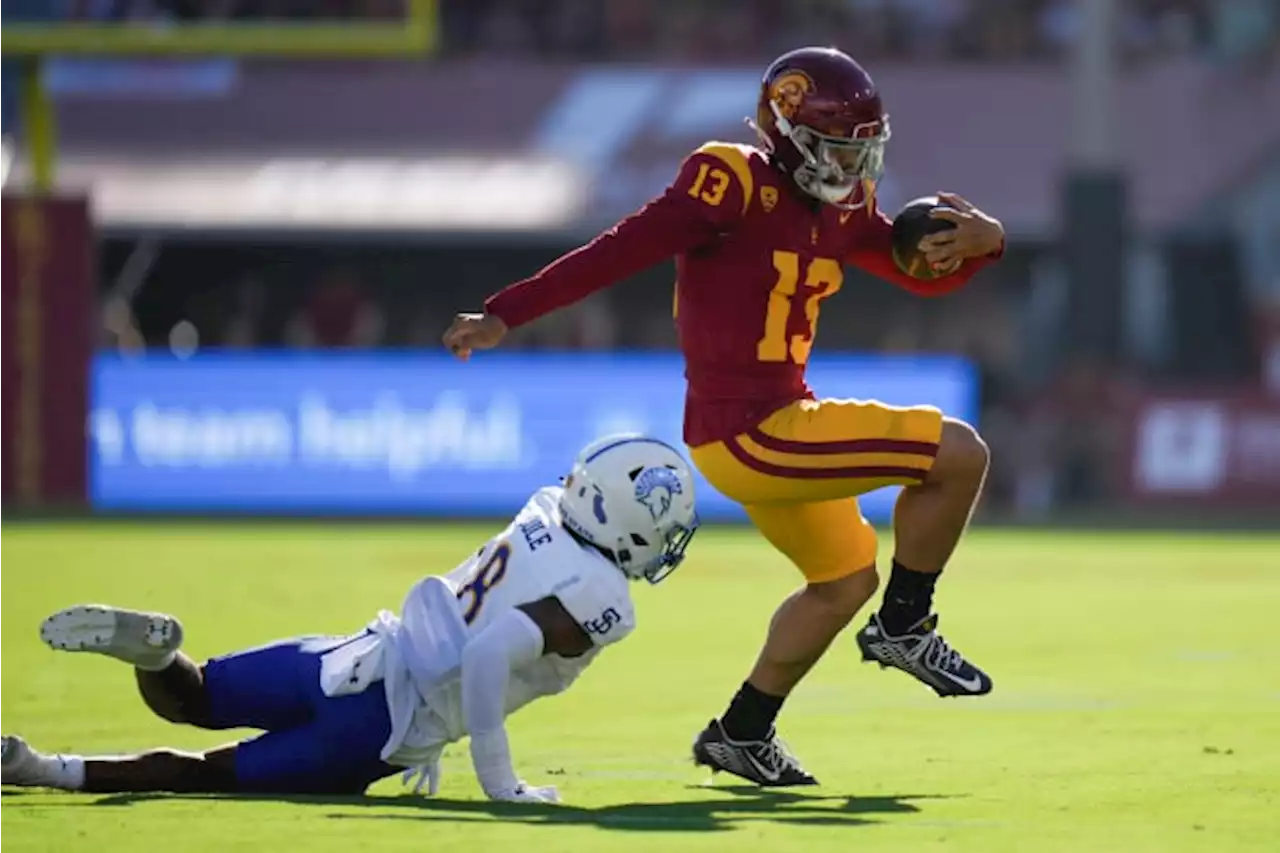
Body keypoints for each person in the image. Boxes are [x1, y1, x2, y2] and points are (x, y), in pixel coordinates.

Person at [442, 46, 1004, 787]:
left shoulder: (842, 211)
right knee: (958, 453)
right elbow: (618, 251)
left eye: (864, 146)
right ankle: (907, 624)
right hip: (754, 429)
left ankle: (742, 732)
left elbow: (919, 277)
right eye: (839, 146)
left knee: (842, 578)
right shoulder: (730, 181)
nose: (853, 164)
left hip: (772, 426)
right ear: (790, 132)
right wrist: (505, 314)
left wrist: (985, 239)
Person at [0, 435, 699, 802]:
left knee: (198, 694)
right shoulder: (605, 594)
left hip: (358, 650)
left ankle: (152, 655)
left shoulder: (547, 505)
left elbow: (478, 626)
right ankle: (39, 769)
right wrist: (498, 778)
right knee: (204, 773)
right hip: (378, 725)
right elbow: (489, 654)